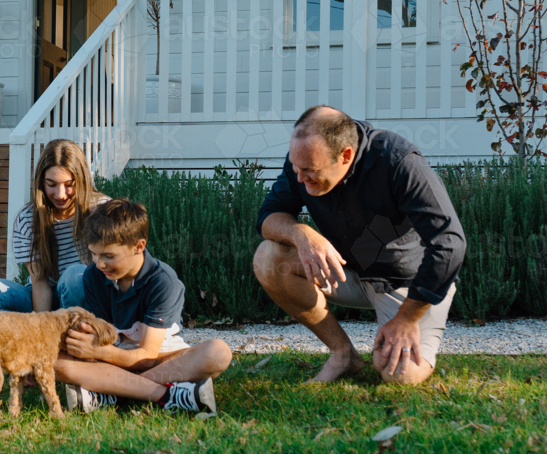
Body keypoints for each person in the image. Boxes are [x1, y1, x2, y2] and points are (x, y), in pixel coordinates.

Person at [253, 105, 467, 385]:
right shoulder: (303, 159)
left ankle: (405, 332)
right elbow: (267, 217)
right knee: (268, 258)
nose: (301, 179)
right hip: (346, 270)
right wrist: (301, 233)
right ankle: (343, 355)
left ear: (345, 155)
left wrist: (407, 318)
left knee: (399, 375)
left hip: (405, 283)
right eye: (295, 168)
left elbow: (449, 244)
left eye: (310, 170)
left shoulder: (398, 161)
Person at [56, 198, 232, 414]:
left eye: (108, 256)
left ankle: (111, 393)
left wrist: (100, 352)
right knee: (55, 361)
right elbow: (101, 336)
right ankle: (168, 395)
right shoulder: (94, 275)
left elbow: (147, 357)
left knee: (218, 352)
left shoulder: (163, 281)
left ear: (138, 246)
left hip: (159, 358)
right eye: (94, 253)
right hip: (115, 356)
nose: (99, 263)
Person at [0, 139, 107, 314]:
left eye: (69, 184)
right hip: (41, 296)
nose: (60, 194)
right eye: (52, 184)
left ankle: (75, 337)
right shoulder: (28, 219)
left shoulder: (101, 211)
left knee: (75, 276)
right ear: (41, 181)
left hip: (85, 296)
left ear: (82, 179)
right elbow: (39, 283)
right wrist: (43, 327)